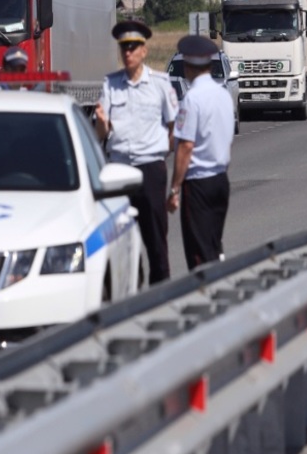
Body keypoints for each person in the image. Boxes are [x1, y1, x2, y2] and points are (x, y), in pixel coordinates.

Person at [94, 19, 178, 284]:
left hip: (150, 169)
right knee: (121, 239)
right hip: (119, 171)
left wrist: (160, 153)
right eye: (124, 48)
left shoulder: (161, 84)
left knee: (155, 237)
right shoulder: (110, 84)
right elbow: (101, 135)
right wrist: (101, 124)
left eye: (133, 47)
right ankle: (130, 291)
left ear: (144, 50)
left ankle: (160, 292)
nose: (128, 53)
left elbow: (175, 127)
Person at [167, 35, 235, 270]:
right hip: (220, 180)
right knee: (213, 245)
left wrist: (175, 187)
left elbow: (185, 146)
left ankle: (208, 298)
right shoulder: (224, 95)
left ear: (187, 66)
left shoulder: (191, 100)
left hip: (198, 184)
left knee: (199, 254)